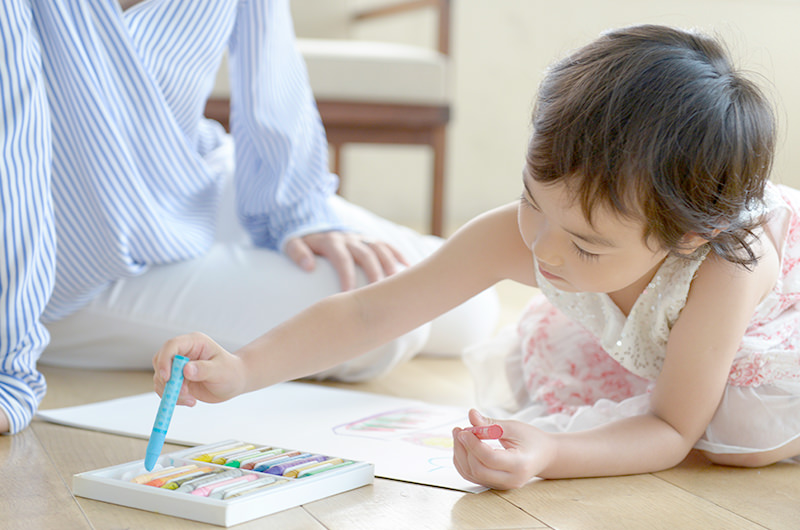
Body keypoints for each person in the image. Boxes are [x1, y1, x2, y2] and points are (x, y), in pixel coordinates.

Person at [153, 24, 800, 489]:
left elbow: (669, 428)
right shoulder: (531, 233)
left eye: (584, 244)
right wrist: (242, 369)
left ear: (684, 237)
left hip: (759, 326)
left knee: (738, 435)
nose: (542, 249)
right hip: (670, 335)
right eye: (531, 201)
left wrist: (551, 453)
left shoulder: (722, 269)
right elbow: (368, 317)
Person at [0, 0, 499, 435]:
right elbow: (12, 155)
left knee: (469, 306)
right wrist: (9, 366)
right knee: (390, 324)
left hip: (190, 174)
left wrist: (299, 211)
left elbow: (271, 68)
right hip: (64, 252)